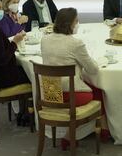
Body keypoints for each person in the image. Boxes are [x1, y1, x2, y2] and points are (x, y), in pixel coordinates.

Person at [40, 8, 109, 148]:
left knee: (93, 89)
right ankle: (100, 130)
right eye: (76, 21)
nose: (78, 23)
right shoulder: (75, 43)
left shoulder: (44, 40)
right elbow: (93, 70)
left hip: (50, 92)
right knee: (99, 92)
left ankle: (100, 130)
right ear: (70, 24)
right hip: (69, 94)